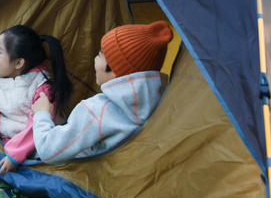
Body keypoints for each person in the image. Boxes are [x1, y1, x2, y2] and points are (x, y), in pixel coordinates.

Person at [31, 20, 173, 163]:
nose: (94, 59)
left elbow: (47, 150)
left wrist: (42, 113)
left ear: (116, 69)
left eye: (100, 55)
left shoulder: (97, 110)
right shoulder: (165, 100)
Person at [0, 25, 74, 176]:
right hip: (7, 139)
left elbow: (37, 125)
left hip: (37, 143)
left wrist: (14, 156)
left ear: (18, 63)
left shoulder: (42, 86)